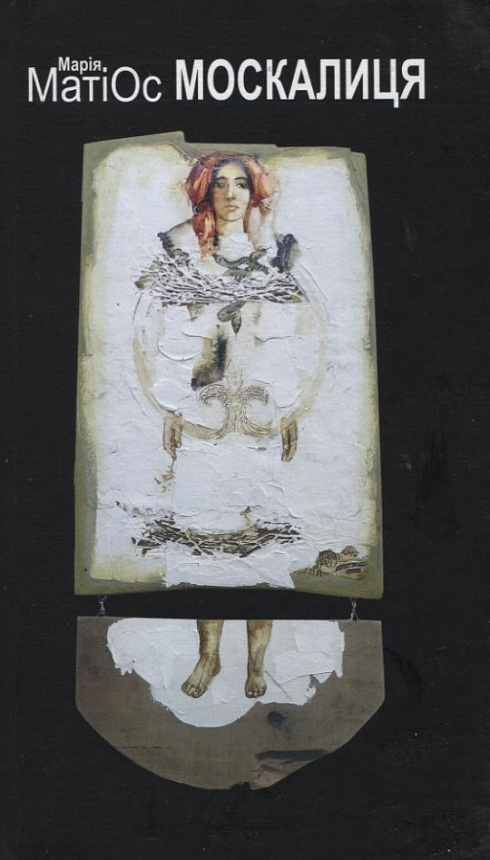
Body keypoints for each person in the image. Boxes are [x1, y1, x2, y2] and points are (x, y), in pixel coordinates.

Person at [134, 151, 324, 696]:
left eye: (241, 184)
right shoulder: (179, 258)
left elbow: (311, 334)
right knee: (206, 549)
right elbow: (149, 335)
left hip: (260, 421)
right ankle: (209, 656)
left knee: (261, 551)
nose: (231, 194)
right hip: (203, 422)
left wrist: (292, 408)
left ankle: (257, 662)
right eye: (220, 184)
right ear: (205, 192)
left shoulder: (280, 258)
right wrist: (170, 408)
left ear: (255, 193)